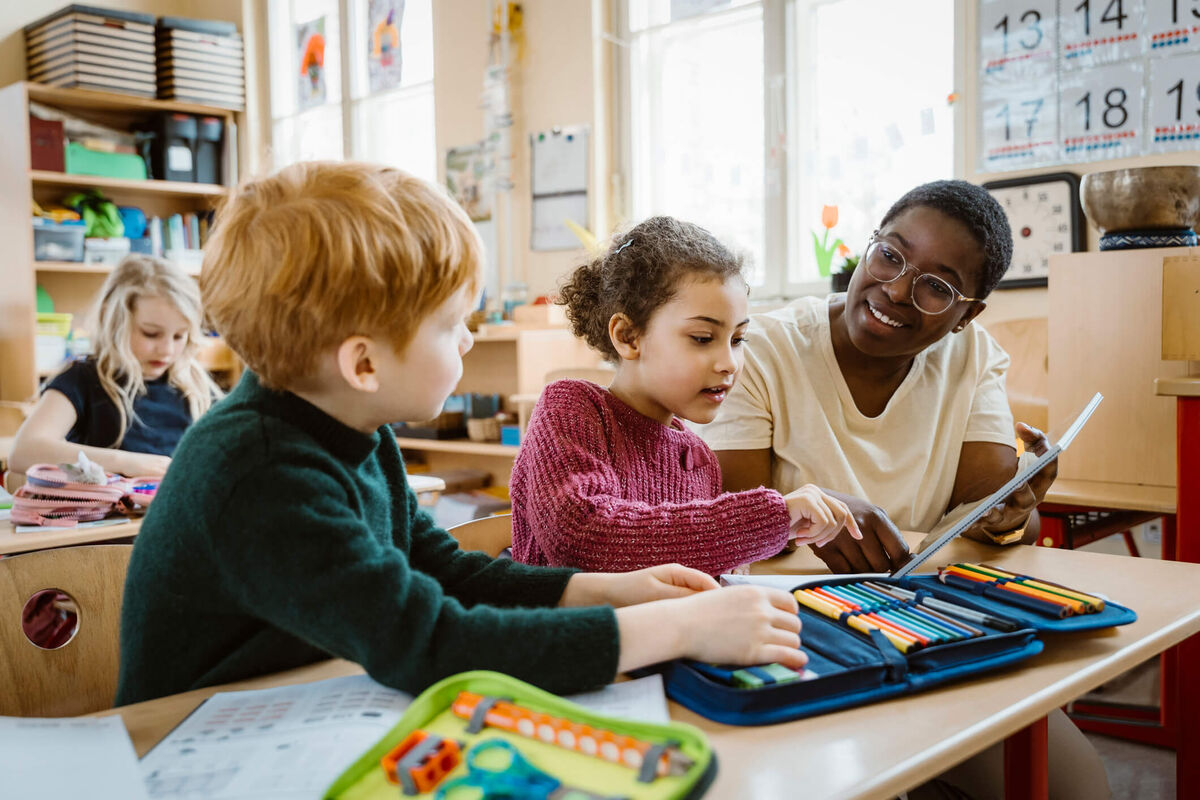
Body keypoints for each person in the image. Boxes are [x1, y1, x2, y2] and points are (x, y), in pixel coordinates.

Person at [115, 163, 809, 706]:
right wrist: (676, 629)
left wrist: (602, 592)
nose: (470, 339)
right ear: (363, 363)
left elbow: (442, 570)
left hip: (300, 700)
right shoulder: (261, 469)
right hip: (199, 739)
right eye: (452, 325)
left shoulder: (352, 426)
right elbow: (428, 641)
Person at [703, 179, 1057, 574]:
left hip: (910, 604)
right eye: (890, 255)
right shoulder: (758, 350)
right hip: (784, 604)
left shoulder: (974, 356)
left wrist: (1007, 518)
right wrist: (818, 514)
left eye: (937, 287)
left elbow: (984, 516)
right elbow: (730, 523)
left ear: (967, 316)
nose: (898, 290)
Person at [510, 216, 859, 577]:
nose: (729, 363)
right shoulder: (571, 408)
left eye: (738, 340)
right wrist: (768, 518)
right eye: (702, 338)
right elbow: (584, 539)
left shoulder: (698, 459)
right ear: (629, 336)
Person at [10, 255, 221, 479]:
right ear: (113, 319)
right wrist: (125, 462)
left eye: (179, 336)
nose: (167, 349)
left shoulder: (196, 386)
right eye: (151, 333)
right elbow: (23, 452)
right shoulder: (82, 378)